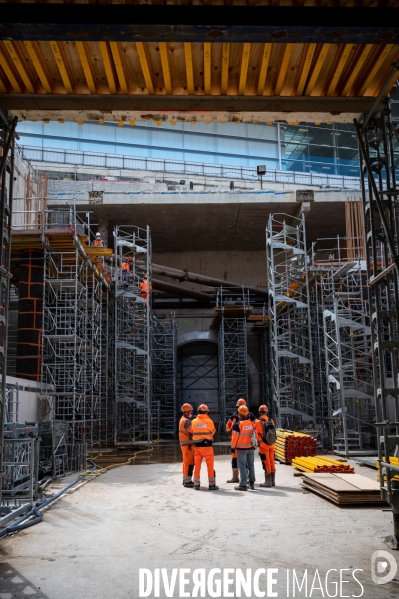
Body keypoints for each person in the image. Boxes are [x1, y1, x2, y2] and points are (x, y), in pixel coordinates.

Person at [226, 398, 256, 483]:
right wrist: (229, 431)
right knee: (235, 460)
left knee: (244, 462)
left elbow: (255, 425)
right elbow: (228, 424)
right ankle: (236, 477)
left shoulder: (250, 416)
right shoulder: (234, 415)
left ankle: (244, 479)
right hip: (239, 442)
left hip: (242, 443)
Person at [191, 404, 218, 491]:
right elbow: (213, 431)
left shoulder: (194, 421)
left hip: (197, 447)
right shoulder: (209, 421)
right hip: (207, 447)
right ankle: (212, 484)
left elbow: (192, 431)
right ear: (206, 412)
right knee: (210, 466)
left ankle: (196, 484)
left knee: (197, 466)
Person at [255, 405, 276, 487]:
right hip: (271, 444)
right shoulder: (271, 420)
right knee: (271, 462)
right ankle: (273, 481)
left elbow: (257, 434)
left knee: (266, 462)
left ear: (260, 412)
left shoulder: (257, 422)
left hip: (263, 445)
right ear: (267, 412)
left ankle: (268, 482)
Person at [179, 403, 194, 488]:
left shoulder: (183, 419)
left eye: (191, 411)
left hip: (187, 445)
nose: (190, 413)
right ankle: (187, 481)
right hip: (187, 445)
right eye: (189, 411)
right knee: (188, 463)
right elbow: (193, 431)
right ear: (184, 412)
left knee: (187, 462)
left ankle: (186, 479)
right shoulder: (186, 421)